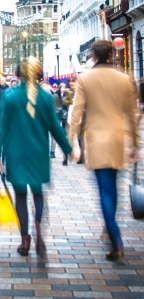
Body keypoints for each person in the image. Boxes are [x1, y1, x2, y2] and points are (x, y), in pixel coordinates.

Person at [69, 40, 139, 264]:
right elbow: (132, 113)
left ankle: (115, 238)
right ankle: (111, 230)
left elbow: (76, 114)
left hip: (97, 139)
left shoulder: (85, 79)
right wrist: (136, 143)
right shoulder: (124, 78)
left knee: (105, 189)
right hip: (118, 138)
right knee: (113, 187)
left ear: (93, 55)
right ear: (111, 55)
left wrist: (74, 142)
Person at [0, 57, 73, 257]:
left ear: (17, 75)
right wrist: (68, 148)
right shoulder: (46, 97)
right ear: (40, 76)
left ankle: (24, 239)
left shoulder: (9, 97)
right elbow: (55, 127)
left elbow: (3, 128)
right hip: (38, 151)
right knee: (37, 193)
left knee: (20, 196)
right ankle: (38, 226)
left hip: (15, 152)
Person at [40, 81, 61, 159]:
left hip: (53, 118)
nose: (44, 88)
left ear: (49, 86)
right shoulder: (39, 96)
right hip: (42, 118)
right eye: (42, 86)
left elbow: (58, 106)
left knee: (53, 136)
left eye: (45, 86)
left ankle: (52, 151)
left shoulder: (54, 96)